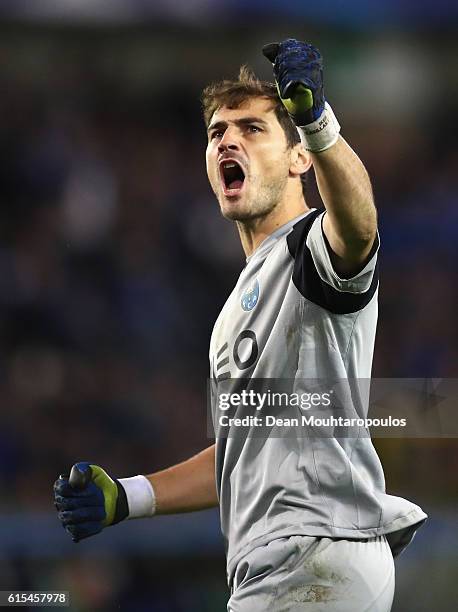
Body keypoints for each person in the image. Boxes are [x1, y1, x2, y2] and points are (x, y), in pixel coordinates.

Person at [54, 39, 427, 611]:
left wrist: (318, 123)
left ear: (299, 158)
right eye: (217, 133)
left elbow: (359, 228)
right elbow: (241, 449)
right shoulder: (241, 301)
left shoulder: (309, 250)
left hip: (311, 553)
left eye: (252, 129)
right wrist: (127, 497)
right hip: (298, 565)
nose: (228, 139)